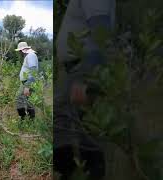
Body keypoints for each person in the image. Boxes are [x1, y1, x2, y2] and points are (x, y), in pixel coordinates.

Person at [55, 0, 116, 179]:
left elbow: (101, 32)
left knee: (76, 137)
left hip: (82, 70)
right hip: (76, 70)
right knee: (70, 135)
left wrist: (88, 80)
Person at [15, 42, 39, 120]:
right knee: (29, 101)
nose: (19, 53)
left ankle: (23, 119)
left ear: (22, 50)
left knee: (19, 98)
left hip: (28, 83)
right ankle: (30, 120)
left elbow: (33, 70)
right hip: (27, 82)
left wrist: (27, 86)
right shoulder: (29, 55)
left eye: (19, 51)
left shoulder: (31, 55)